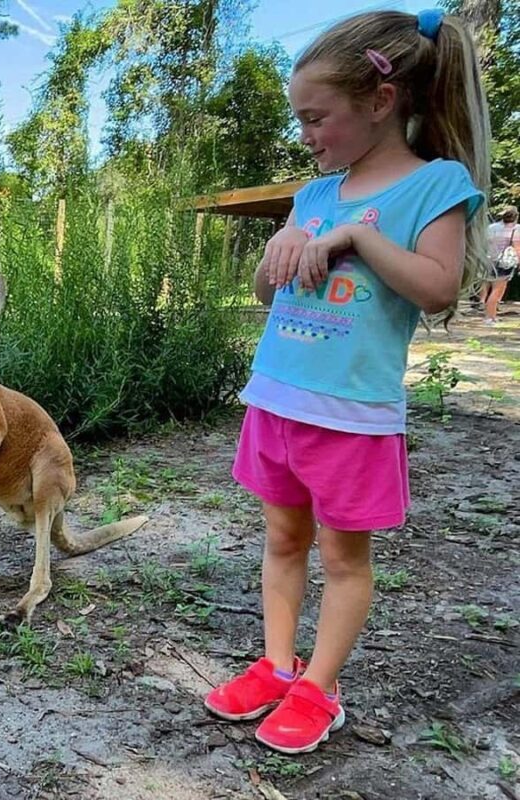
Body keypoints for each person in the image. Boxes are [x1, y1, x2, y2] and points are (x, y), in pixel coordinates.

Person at [204, 9, 488, 755]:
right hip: (278, 400)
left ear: (380, 103)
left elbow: (435, 287)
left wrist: (360, 238)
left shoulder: (436, 184)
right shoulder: (313, 195)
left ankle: (320, 689)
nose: (306, 135)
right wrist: (283, 244)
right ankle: (276, 663)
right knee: (282, 536)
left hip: (352, 415)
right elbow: (273, 296)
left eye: (315, 118)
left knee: (341, 557)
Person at [480, 205, 519, 324]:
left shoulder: (491, 228)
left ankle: (492, 315)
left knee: (492, 288)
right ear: (516, 217)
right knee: (497, 291)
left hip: (489, 260)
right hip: (504, 263)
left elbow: (484, 243)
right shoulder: (516, 229)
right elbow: (517, 248)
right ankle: (489, 318)